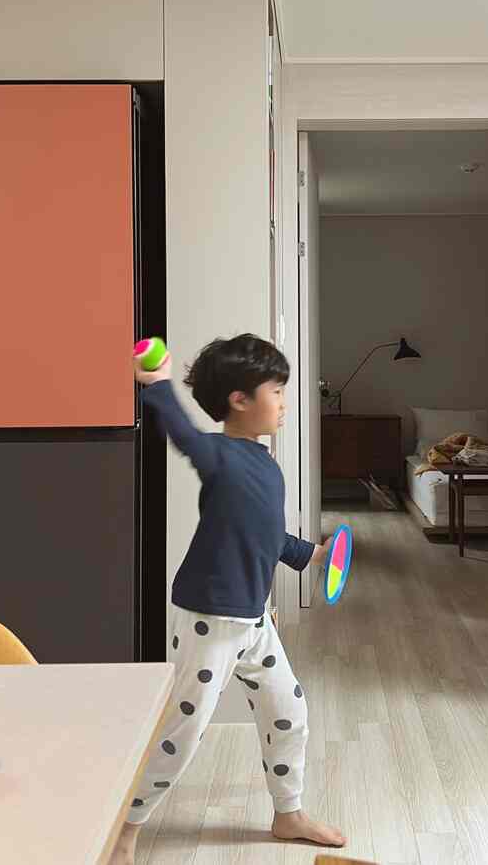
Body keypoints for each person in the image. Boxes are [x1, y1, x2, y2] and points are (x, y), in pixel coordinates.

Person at [111, 334, 346, 865]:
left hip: (254, 620)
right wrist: (156, 384)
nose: (284, 401)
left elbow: (265, 533)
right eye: (276, 390)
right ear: (240, 399)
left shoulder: (265, 464)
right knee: (184, 732)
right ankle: (125, 828)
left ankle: (288, 814)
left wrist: (311, 554)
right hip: (210, 623)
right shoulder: (218, 455)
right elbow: (181, 432)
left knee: (290, 712)